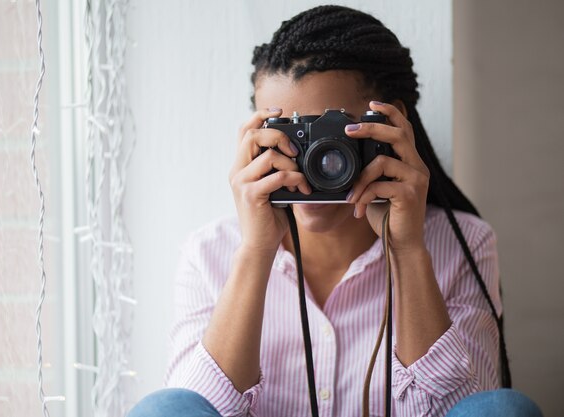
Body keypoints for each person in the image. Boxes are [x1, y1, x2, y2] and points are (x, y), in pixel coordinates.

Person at [128, 5, 542, 417]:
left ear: (390, 124)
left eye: (331, 133)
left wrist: (407, 249)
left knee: (504, 409)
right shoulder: (209, 254)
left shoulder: (463, 243)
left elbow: (467, 410)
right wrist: (256, 250)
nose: (310, 163)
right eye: (292, 137)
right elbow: (190, 410)